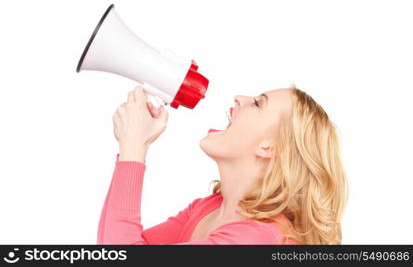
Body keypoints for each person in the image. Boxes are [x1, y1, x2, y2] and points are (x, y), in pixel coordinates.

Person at [97, 85, 347, 244]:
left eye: (258, 103)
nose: (239, 98)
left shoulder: (257, 239)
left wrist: (133, 148)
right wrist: (130, 149)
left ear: (269, 147)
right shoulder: (206, 209)